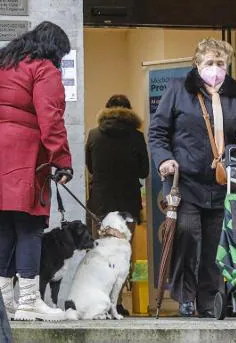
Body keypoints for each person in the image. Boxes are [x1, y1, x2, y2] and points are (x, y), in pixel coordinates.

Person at [149, 38, 236, 318]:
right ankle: (184, 295)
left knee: (215, 242)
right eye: (209, 63)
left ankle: (209, 299)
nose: (215, 68)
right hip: (183, 180)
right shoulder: (178, 91)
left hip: (222, 182)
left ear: (228, 65)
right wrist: (164, 159)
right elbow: (158, 131)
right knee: (186, 233)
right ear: (197, 65)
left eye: (220, 63)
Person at [0, 21, 72, 322]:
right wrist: (62, 159)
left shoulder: (5, 63)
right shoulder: (45, 69)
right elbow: (50, 117)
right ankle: (29, 301)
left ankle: (4, 303)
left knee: (4, 226)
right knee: (30, 225)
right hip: (26, 154)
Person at [85, 94, 149, 316]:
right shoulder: (137, 137)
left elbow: (90, 168)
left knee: (101, 254)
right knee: (122, 255)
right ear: (130, 111)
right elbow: (144, 171)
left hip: (100, 204)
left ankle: (98, 302)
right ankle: (118, 302)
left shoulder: (94, 135)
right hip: (127, 205)